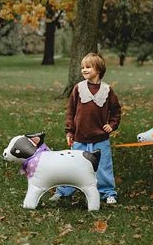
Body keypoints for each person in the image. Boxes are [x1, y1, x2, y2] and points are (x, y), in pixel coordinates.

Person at [51, 52, 121, 205]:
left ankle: (108, 193)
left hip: (100, 138)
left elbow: (116, 110)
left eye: (88, 67)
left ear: (98, 70)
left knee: (103, 167)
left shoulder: (107, 90)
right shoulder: (78, 88)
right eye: (82, 67)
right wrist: (70, 131)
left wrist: (112, 125)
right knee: (73, 166)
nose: (84, 69)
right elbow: (71, 111)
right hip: (80, 137)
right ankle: (64, 192)